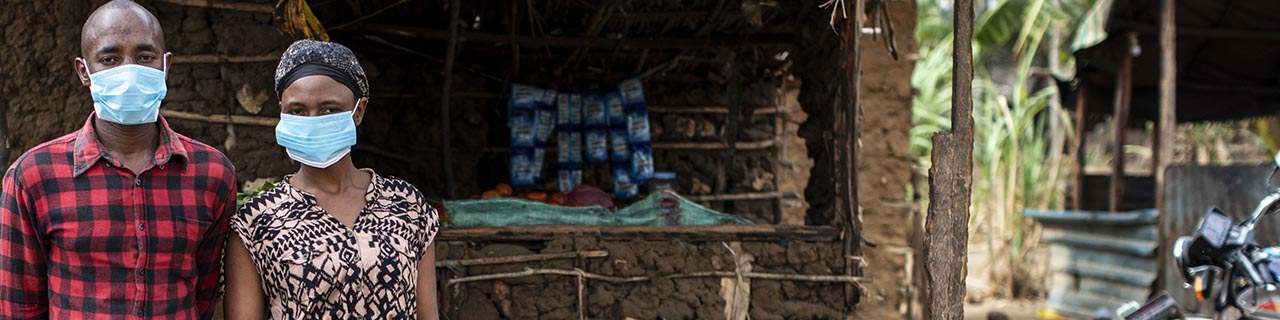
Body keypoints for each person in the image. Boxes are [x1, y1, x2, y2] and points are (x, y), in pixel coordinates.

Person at [0, 1, 237, 319]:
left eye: (144, 57)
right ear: (84, 71)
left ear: (165, 65)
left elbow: (205, 292)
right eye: (110, 59)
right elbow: (20, 304)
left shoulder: (213, 174)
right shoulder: (32, 177)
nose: (129, 71)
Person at [224, 40, 441, 319]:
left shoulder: (407, 205)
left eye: (329, 109)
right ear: (282, 114)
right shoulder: (256, 221)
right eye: (298, 111)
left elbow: (427, 314)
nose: (313, 120)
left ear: (358, 111)